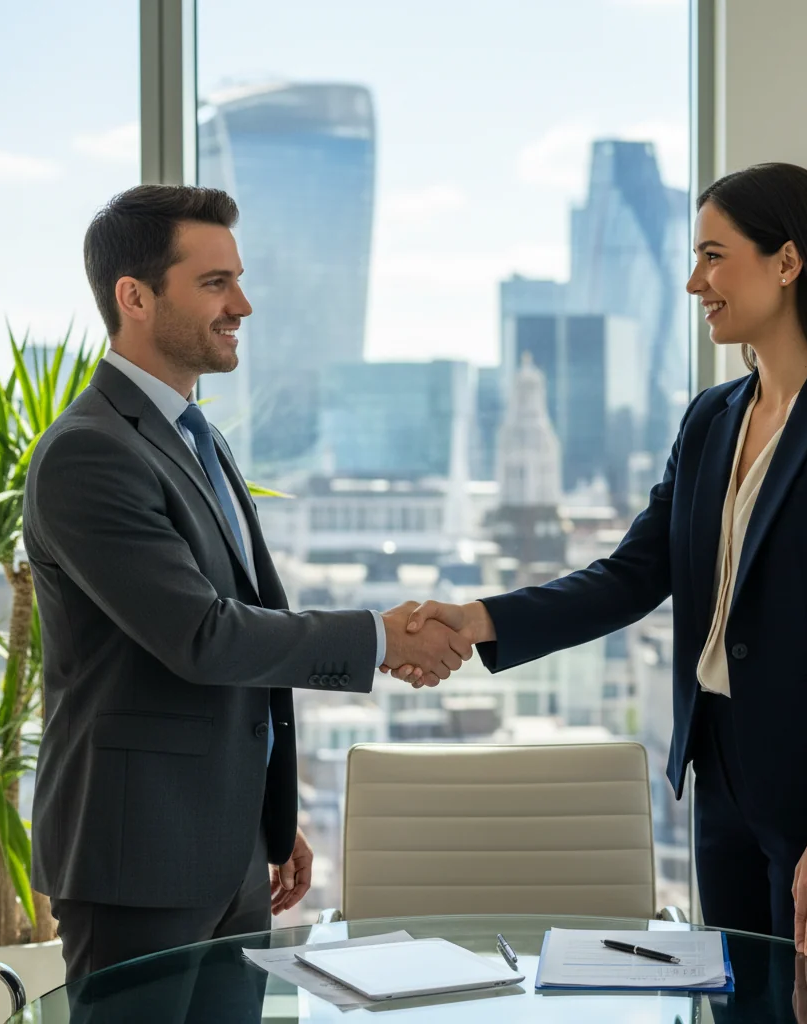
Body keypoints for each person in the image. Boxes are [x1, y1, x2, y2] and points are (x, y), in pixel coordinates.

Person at [389, 162, 807, 967]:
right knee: (740, 1010)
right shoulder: (713, 417)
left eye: (714, 256)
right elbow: (631, 575)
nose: (694, 282)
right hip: (720, 781)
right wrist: (480, 621)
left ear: (787, 262)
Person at [23, 184, 471, 982]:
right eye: (214, 283)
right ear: (134, 297)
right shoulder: (88, 453)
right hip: (138, 858)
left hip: (225, 854)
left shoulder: (197, 437)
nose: (244, 304)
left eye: (238, 278)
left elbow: (245, 626)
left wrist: (265, 816)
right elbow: (204, 635)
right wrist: (380, 636)